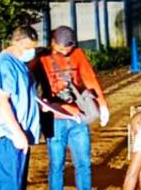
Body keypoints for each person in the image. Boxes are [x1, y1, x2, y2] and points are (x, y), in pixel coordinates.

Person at [34, 26, 109, 190]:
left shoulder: (78, 54)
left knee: (83, 163)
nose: (65, 53)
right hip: (54, 119)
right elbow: (30, 84)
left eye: (68, 50)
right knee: (56, 165)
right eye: (61, 49)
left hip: (78, 117)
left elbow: (89, 79)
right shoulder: (41, 58)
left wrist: (102, 104)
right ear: (53, 42)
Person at [0, 26, 40, 190]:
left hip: (17, 137)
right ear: (16, 42)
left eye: (33, 47)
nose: (31, 52)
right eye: (28, 47)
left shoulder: (19, 64)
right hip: (7, 138)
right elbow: (1, 101)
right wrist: (17, 133)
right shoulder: (5, 64)